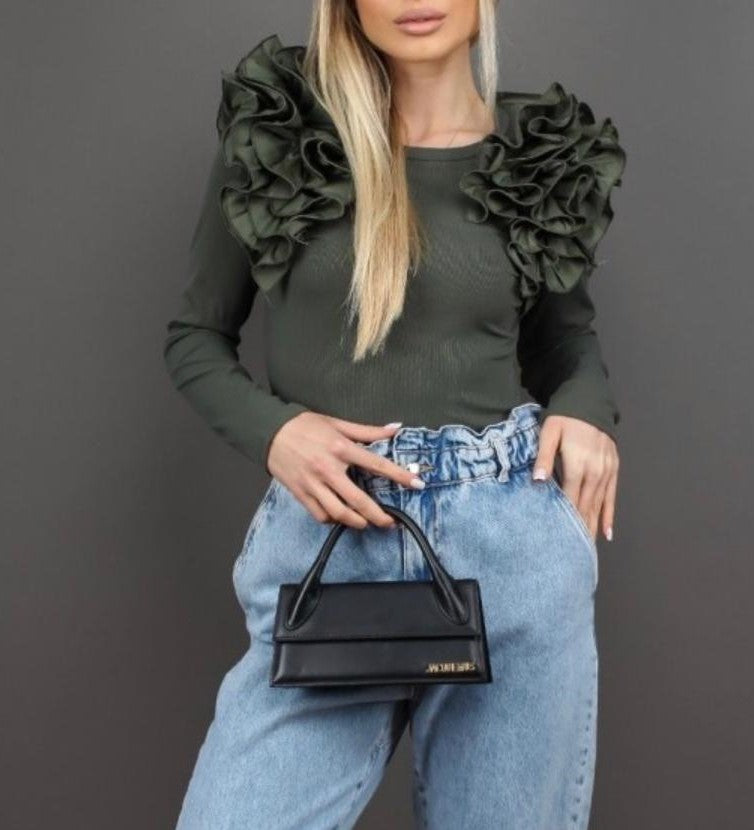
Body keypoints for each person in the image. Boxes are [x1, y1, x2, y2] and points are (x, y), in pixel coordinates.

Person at [163, 2, 626, 827]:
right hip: (329, 542)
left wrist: (587, 412)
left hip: (511, 543)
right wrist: (277, 432)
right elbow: (196, 337)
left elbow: (565, 342)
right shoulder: (282, 138)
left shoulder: (536, 155)